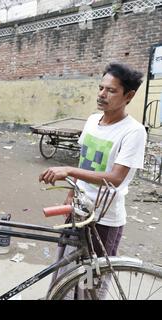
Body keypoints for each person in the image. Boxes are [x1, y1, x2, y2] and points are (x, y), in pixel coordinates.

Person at [39, 62, 146, 259]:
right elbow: (84, 161)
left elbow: (115, 178)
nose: (102, 94)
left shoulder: (133, 131)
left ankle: (87, 290)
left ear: (128, 96)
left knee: (90, 279)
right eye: (101, 88)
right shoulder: (92, 121)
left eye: (111, 90)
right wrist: (71, 192)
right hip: (78, 209)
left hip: (104, 218)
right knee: (67, 270)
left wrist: (68, 171)